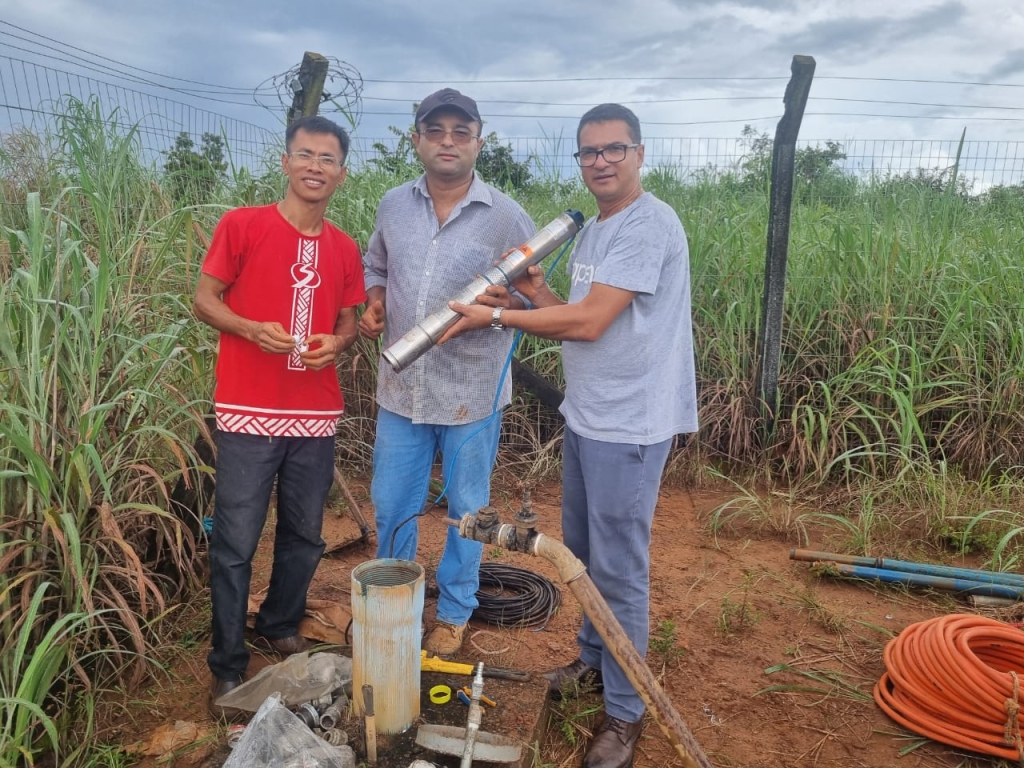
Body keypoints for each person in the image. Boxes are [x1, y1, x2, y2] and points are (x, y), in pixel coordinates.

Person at [440, 103, 698, 768]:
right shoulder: (598, 230)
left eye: (614, 149)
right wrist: (531, 290)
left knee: (619, 569)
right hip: (590, 415)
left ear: (640, 154)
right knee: (582, 554)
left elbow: (588, 324)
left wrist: (495, 317)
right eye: (589, 152)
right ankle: (592, 663)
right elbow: (574, 314)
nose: (600, 162)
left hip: (630, 424)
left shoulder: (648, 223)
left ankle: (625, 712)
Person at [193, 115, 366, 719]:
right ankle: (227, 664)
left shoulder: (344, 247)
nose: (316, 166)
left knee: (305, 533)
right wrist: (248, 329)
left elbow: (349, 321)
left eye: (328, 158)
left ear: (342, 174)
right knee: (236, 541)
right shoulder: (242, 225)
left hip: (314, 415)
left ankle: (280, 623)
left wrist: (337, 343)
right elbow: (204, 299)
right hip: (247, 412)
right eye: (306, 154)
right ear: (287, 162)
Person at [358, 88, 535, 658]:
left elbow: (534, 297)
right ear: (417, 141)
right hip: (401, 389)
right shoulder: (393, 205)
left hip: (471, 393)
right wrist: (375, 299)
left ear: (479, 142)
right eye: (435, 131)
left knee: (469, 509)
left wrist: (503, 307)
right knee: (393, 504)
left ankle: (455, 611)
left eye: (462, 132)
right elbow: (375, 264)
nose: (448, 142)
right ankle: (395, 604)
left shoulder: (506, 216)